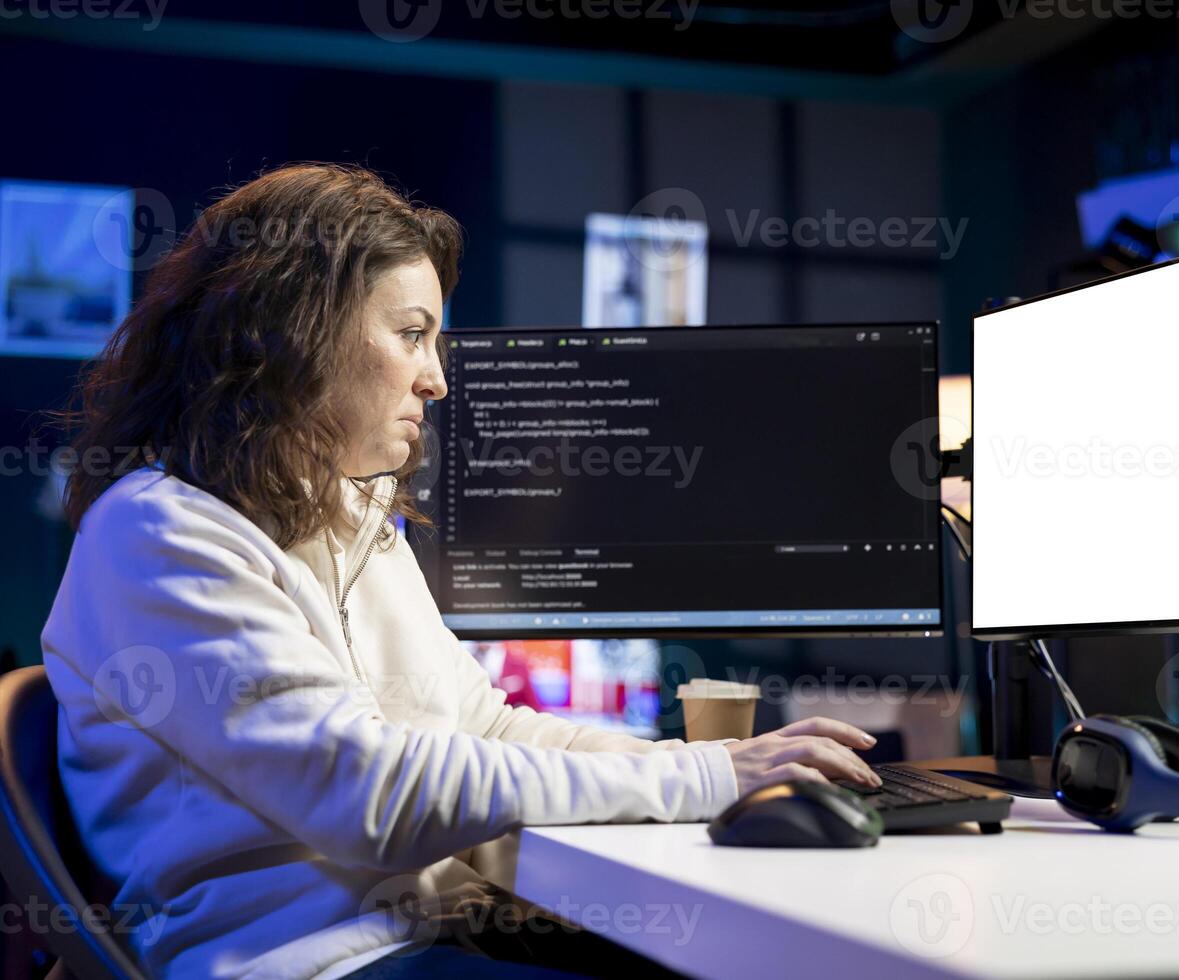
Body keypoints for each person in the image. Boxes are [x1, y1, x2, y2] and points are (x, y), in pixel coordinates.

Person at [41, 163, 882, 980]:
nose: (437, 379)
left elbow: (484, 725)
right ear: (292, 329)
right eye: (411, 334)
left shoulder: (352, 515)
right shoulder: (158, 533)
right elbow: (366, 797)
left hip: (440, 933)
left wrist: (714, 772)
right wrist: (701, 776)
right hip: (312, 962)